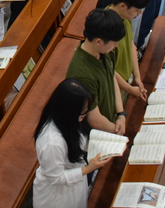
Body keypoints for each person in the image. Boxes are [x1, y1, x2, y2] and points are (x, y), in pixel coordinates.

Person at [32, 78, 110, 208]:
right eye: (83, 109)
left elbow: (81, 140)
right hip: (57, 197)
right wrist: (88, 168)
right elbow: (56, 178)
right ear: (70, 111)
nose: (85, 112)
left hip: (75, 183)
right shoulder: (51, 142)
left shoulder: (69, 122)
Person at [65, 9, 126, 134]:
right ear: (98, 41)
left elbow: (111, 77)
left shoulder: (104, 51)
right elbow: (94, 119)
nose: (116, 45)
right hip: (96, 133)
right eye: (114, 42)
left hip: (110, 120)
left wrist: (121, 114)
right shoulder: (82, 74)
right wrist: (116, 131)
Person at [108, 0, 150, 105]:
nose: (140, 13)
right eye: (137, 9)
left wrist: (137, 77)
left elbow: (131, 45)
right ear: (123, 6)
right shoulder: (107, 28)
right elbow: (108, 68)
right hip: (113, 84)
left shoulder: (125, 17)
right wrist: (129, 89)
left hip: (125, 79)